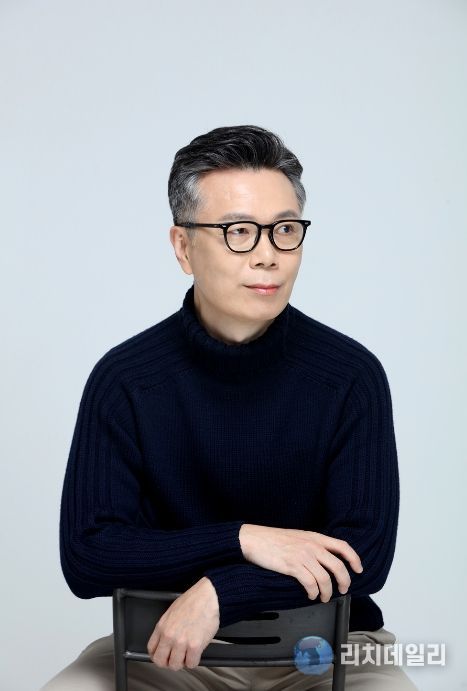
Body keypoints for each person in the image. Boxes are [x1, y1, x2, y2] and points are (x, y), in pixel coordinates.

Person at [41, 125, 418, 690]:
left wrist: (225, 589)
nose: (267, 256)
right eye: (239, 232)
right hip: (167, 648)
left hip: (324, 650)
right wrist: (241, 538)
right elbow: (88, 555)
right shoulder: (125, 380)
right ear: (183, 247)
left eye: (285, 230)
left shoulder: (350, 376)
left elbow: (365, 555)